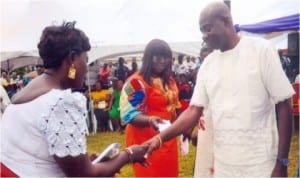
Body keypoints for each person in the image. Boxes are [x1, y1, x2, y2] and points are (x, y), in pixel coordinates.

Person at [144, 2, 294, 177]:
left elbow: (284, 105)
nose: (204, 36)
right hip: (224, 166)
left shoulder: (261, 50)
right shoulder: (208, 65)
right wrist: (159, 138)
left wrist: (282, 162)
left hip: (260, 164)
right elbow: (194, 110)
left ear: (226, 21)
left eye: (207, 29)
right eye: (201, 31)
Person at [0, 21, 148, 177]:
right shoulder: (60, 102)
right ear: (71, 59)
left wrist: (81, 160)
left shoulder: (21, 96)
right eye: (85, 60)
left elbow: (40, 152)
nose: (86, 67)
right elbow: (83, 175)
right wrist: (129, 154)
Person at [120, 39, 181, 177]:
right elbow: (129, 114)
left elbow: (174, 109)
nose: (162, 61)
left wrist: (184, 130)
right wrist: (149, 120)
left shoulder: (170, 81)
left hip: (167, 139)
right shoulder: (136, 82)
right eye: (158, 57)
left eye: (166, 57)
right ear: (148, 58)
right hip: (145, 143)